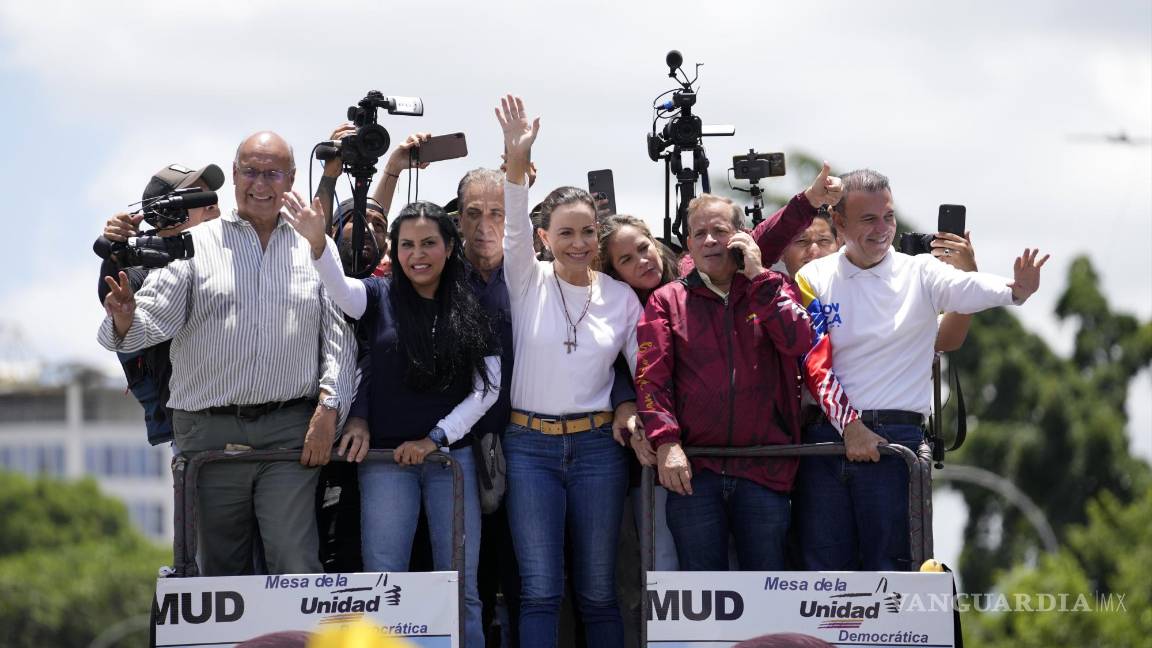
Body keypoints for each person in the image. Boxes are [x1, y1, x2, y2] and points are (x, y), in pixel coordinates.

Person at [98, 131, 357, 576]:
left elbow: (338, 337)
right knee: (219, 574)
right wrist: (124, 317)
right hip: (208, 430)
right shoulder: (195, 242)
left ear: (292, 178)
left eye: (273, 173)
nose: (261, 184)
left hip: (288, 430)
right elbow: (149, 324)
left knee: (295, 563)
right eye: (251, 172)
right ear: (234, 175)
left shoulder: (315, 245)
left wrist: (329, 407)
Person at [793, 169, 1048, 571]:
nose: (882, 229)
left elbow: (965, 288)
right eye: (868, 219)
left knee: (892, 571)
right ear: (838, 221)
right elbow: (814, 362)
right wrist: (850, 428)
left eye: (888, 217)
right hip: (827, 439)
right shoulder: (811, 277)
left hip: (896, 442)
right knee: (822, 572)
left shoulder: (921, 271)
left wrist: (1015, 290)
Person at [281, 194, 499, 648]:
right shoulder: (378, 295)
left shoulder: (475, 301)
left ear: (449, 247)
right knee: (383, 586)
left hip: (451, 461)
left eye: (428, 243)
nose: (417, 255)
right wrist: (319, 244)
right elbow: (342, 291)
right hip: (385, 463)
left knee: (462, 588)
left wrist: (434, 439)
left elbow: (487, 389)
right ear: (393, 251)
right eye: (406, 245)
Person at [496, 95, 641, 648]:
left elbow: (645, 372)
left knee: (599, 591)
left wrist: (637, 413)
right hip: (528, 447)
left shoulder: (622, 298)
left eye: (587, 232)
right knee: (539, 591)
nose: (578, 243)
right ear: (544, 238)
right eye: (565, 233)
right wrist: (516, 159)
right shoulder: (524, 278)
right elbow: (513, 221)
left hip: (598, 449)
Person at [635, 191, 818, 572]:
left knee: (768, 588)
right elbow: (652, 379)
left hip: (765, 467)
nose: (709, 241)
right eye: (699, 234)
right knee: (702, 594)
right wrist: (666, 442)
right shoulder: (666, 300)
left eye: (719, 231)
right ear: (688, 244)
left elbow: (800, 341)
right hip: (694, 470)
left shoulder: (772, 285)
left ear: (741, 237)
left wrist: (758, 277)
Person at [93, 163, 223, 446]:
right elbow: (115, 292)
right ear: (168, 212)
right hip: (194, 427)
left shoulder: (235, 252)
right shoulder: (145, 269)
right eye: (200, 196)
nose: (213, 203)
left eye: (212, 195)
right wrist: (115, 249)